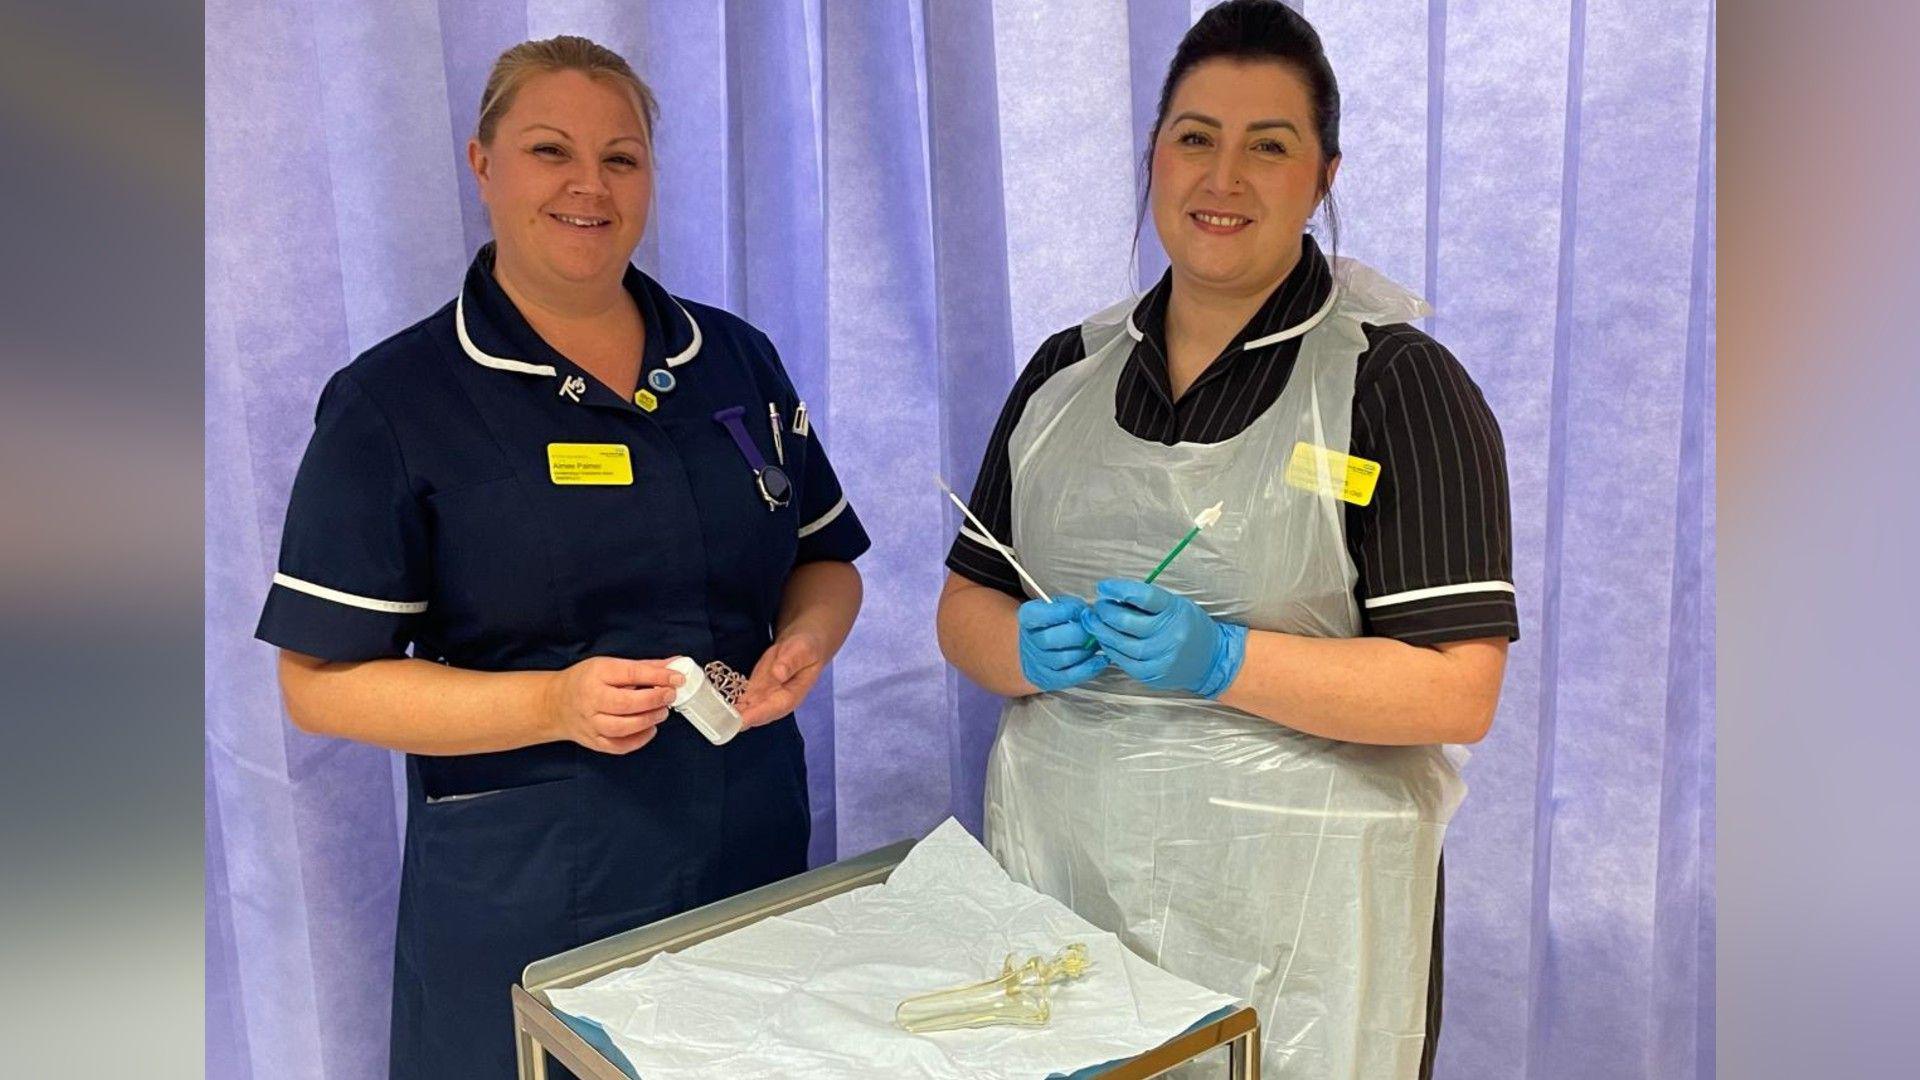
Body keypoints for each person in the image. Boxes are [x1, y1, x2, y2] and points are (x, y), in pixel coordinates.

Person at [254, 36, 868, 1080]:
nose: (591, 184)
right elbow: (318, 685)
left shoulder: (732, 360)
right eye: (550, 151)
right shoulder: (396, 404)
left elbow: (825, 559)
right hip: (528, 880)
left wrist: (806, 639)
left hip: (743, 843)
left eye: (622, 157)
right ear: (483, 165)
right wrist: (551, 705)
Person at [936, 3, 1516, 1077]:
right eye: (1196, 137)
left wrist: (1228, 661)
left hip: (1298, 927)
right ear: (1153, 155)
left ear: (1323, 175)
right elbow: (967, 603)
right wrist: (1020, 648)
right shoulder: (1064, 374)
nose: (1224, 177)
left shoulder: (1394, 385)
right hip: (1069, 893)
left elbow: (1455, 691)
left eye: (1270, 146)